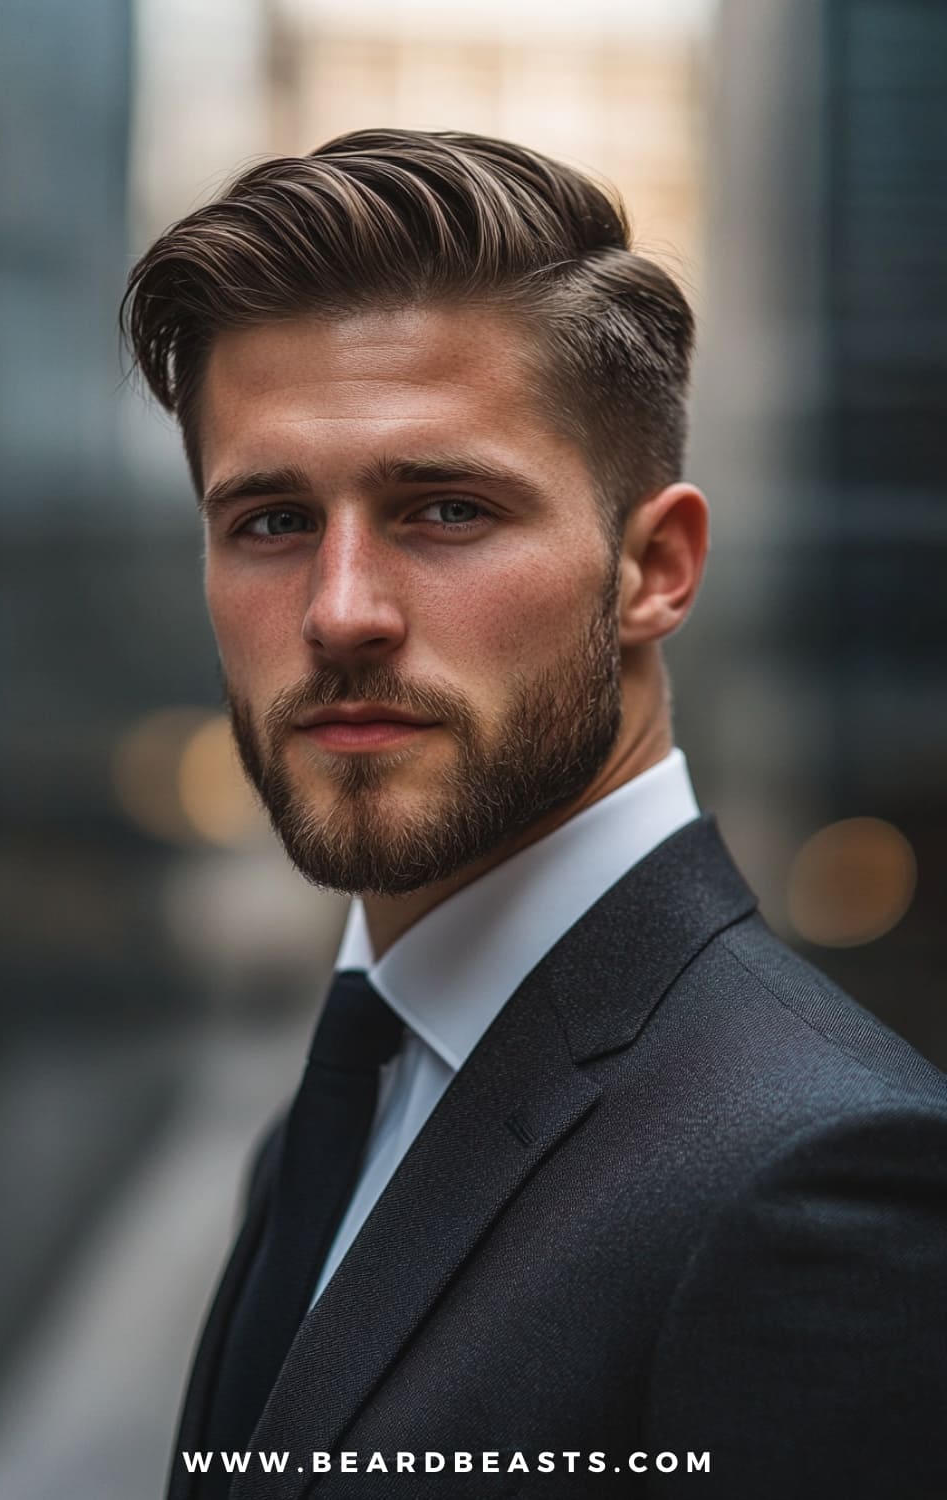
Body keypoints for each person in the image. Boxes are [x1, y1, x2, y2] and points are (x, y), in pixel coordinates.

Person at [122, 130, 947, 1499]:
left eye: (445, 508)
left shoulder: (822, 1178)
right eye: (269, 520)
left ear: (655, 569)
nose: (340, 613)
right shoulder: (341, 1109)